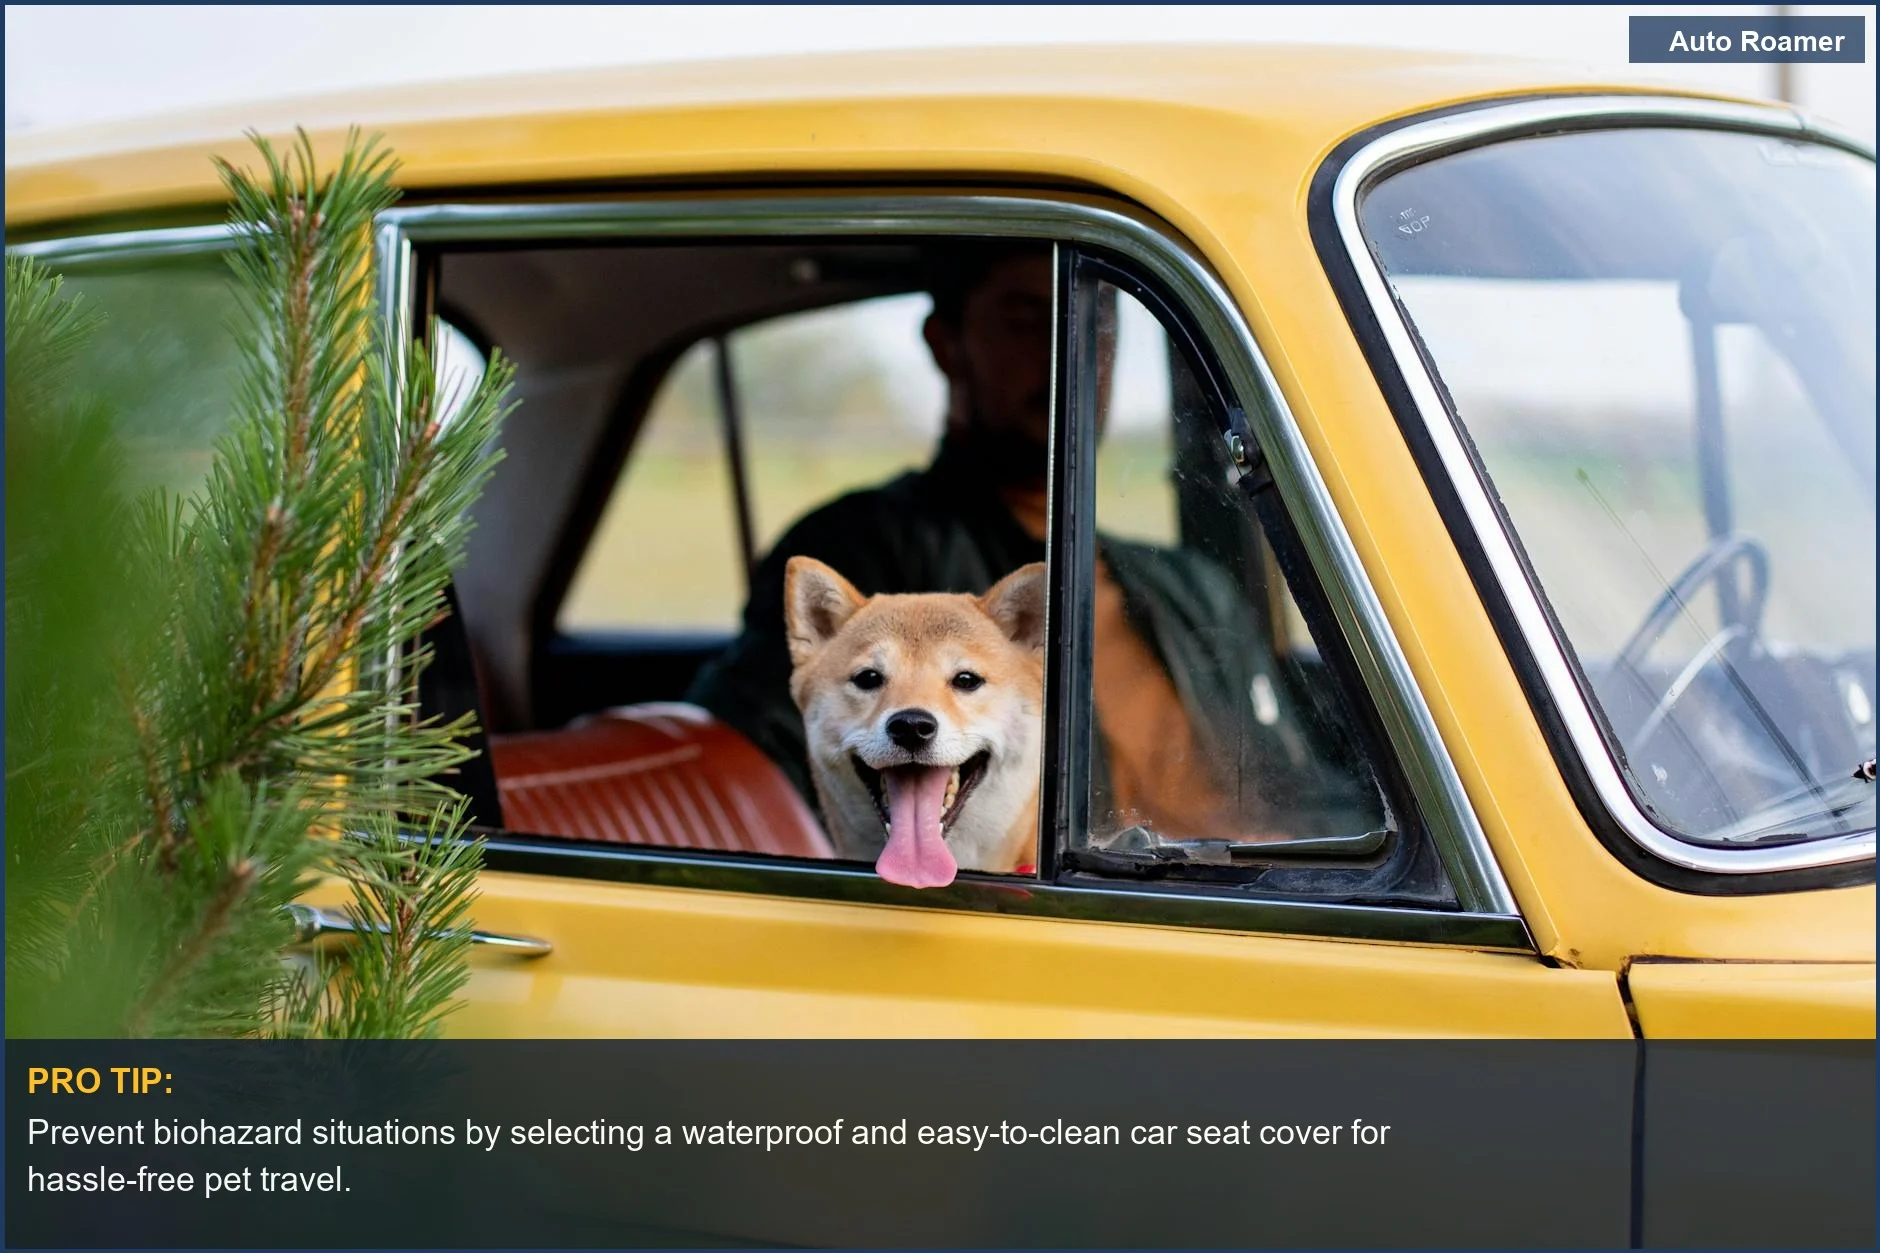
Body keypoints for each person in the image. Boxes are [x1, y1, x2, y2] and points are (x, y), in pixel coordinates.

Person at [686, 241, 1375, 846]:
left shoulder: (1195, 586)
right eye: (1026, 320)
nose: (1067, 349)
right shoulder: (866, 552)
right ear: (947, 344)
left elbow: (1301, 786)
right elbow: (764, 760)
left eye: (1094, 321)